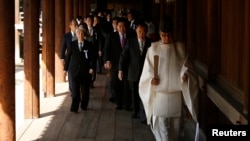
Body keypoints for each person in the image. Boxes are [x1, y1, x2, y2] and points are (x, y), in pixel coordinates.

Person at [138, 16, 199, 141]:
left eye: (169, 35)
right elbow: (146, 73)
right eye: (163, 35)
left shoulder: (180, 48)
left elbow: (189, 69)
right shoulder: (153, 49)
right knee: (163, 132)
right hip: (160, 97)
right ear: (159, 34)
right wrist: (151, 80)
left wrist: (186, 76)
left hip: (175, 96)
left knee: (175, 131)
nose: (166, 38)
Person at [118, 22, 151, 123]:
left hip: (146, 74)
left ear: (146, 32)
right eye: (139, 31)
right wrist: (120, 70)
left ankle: (143, 115)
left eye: (143, 32)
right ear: (136, 31)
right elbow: (123, 56)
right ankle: (136, 111)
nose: (141, 34)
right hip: (133, 72)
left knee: (144, 94)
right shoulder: (131, 42)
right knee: (135, 94)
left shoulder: (150, 43)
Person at [64, 25, 94, 113]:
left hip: (86, 70)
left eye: (82, 33)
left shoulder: (89, 45)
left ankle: (84, 105)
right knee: (75, 90)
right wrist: (65, 69)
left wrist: (92, 67)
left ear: (84, 34)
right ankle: (74, 107)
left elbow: (92, 57)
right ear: (76, 35)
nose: (80, 35)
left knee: (85, 90)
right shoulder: (72, 44)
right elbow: (68, 57)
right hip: (74, 70)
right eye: (78, 33)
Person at [104, 18, 132, 110]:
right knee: (116, 84)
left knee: (126, 85)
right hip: (115, 64)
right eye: (120, 26)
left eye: (124, 26)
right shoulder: (111, 36)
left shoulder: (131, 36)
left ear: (126, 27)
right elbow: (107, 50)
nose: (122, 28)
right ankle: (119, 103)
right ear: (117, 26)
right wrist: (107, 61)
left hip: (128, 64)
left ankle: (127, 104)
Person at [60, 18, 78, 92]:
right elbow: (63, 48)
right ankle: (72, 90)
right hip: (70, 59)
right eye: (74, 25)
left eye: (77, 24)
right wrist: (62, 58)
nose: (76, 26)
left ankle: (76, 90)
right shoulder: (66, 36)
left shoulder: (79, 34)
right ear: (70, 26)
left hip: (78, 59)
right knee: (70, 76)